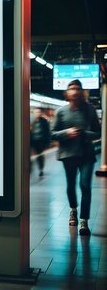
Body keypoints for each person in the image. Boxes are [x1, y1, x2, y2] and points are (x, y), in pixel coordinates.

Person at [51, 80, 101, 236]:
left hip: (87, 153)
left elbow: (98, 133)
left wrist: (84, 133)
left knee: (85, 185)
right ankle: (73, 209)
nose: (75, 91)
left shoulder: (90, 110)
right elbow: (53, 134)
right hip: (68, 154)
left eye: (78, 88)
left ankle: (84, 221)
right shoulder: (61, 112)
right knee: (71, 185)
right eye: (71, 88)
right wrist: (67, 133)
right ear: (67, 93)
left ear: (82, 92)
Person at [30, 108, 51, 177]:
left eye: (38, 112)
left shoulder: (44, 121)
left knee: (40, 156)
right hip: (31, 141)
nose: (37, 113)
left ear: (41, 113)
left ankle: (41, 169)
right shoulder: (29, 120)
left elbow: (48, 132)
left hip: (40, 141)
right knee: (28, 156)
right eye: (36, 112)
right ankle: (29, 169)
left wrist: (47, 142)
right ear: (33, 113)